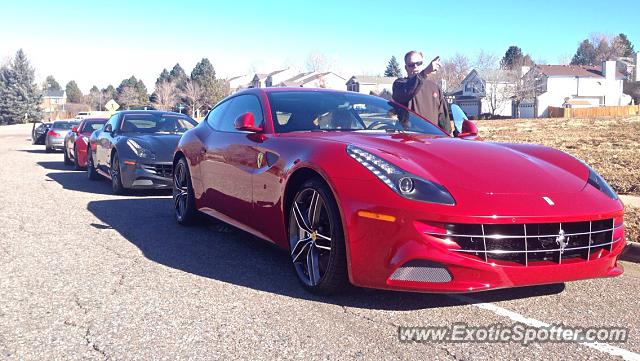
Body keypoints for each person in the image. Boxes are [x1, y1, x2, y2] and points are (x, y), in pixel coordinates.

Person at [392, 50, 451, 134]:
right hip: (408, 138)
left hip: (432, 139)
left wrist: (447, 137)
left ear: (422, 64)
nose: (415, 67)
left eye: (418, 63)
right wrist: (425, 72)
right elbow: (406, 93)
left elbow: (443, 117)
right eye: (411, 65)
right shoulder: (400, 84)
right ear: (406, 67)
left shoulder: (434, 87)